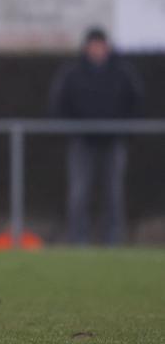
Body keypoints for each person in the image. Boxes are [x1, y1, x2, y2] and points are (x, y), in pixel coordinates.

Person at [49, 27, 144, 245]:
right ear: (86, 47)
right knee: (79, 193)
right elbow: (59, 103)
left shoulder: (122, 72)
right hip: (82, 142)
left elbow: (136, 102)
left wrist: (125, 130)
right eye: (93, 45)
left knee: (114, 194)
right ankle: (78, 240)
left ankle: (113, 240)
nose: (97, 49)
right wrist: (72, 129)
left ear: (107, 47)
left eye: (101, 45)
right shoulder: (72, 73)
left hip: (114, 141)